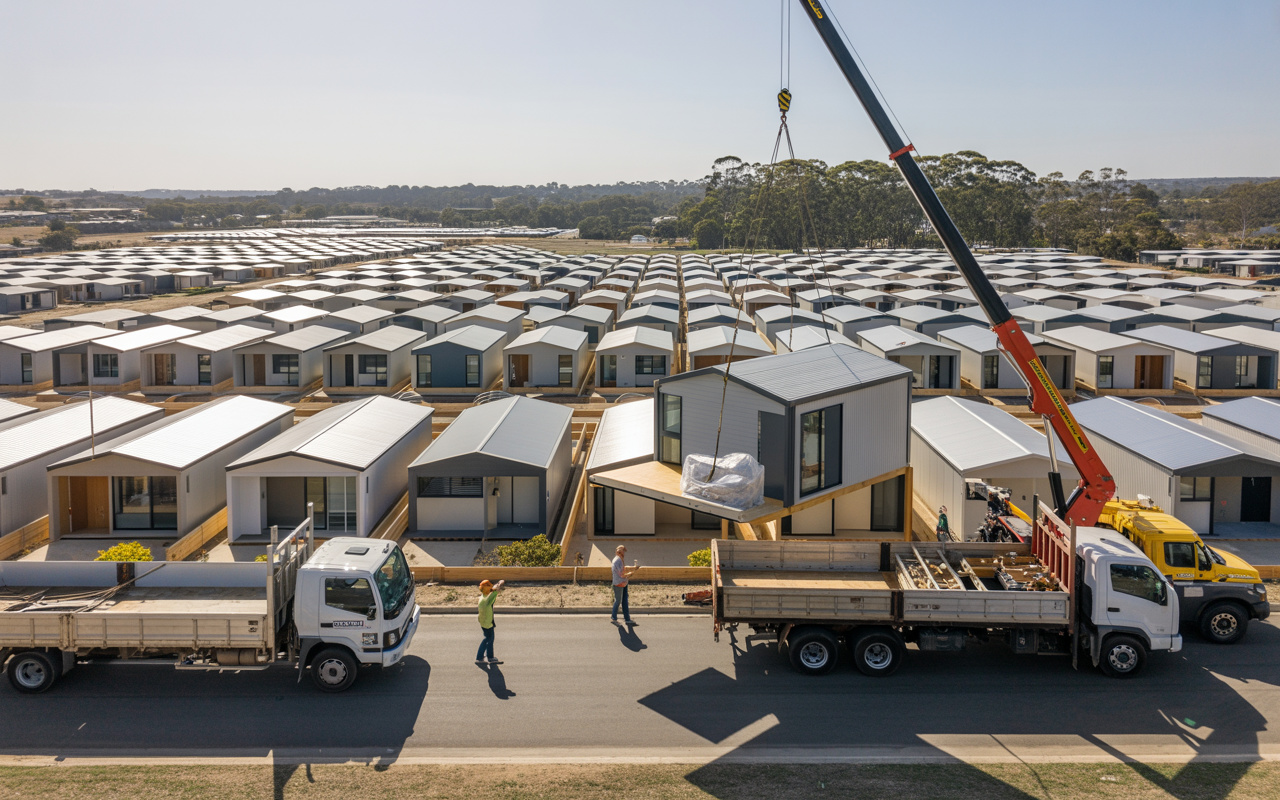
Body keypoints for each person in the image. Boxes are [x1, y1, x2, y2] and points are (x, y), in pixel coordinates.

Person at [476, 579, 505, 665]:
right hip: (488, 622)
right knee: (489, 639)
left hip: (483, 621)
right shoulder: (487, 600)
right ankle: (489, 657)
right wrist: (500, 583)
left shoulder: (483, 596)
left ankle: (481, 657)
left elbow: (492, 591)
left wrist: (496, 586)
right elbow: (495, 591)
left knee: (487, 638)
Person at [611, 545, 637, 625]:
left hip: (623, 583)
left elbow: (623, 568)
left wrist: (633, 567)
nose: (624, 553)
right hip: (619, 583)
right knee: (618, 601)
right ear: (619, 552)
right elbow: (621, 574)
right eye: (623, 551)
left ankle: (627, 618)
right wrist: (631, 573)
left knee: (624, 601)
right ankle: (614, 618)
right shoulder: (617, 561)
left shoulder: (619, 559)